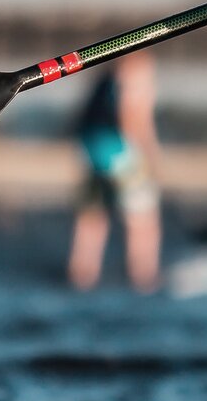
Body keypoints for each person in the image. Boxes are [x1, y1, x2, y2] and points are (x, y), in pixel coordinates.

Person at [67, 55, 162, 292]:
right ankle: (143, 276)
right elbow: (132, 115)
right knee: (143, 219)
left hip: (92, 149)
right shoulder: (136, 72)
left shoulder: (105, 79)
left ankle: (82, 275)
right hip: (121, 152)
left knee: (92, 217)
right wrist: (149, 154)